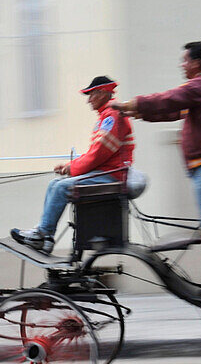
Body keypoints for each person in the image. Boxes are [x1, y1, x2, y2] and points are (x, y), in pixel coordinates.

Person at [110, 41, 201, 298]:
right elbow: (172, 110)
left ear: (196, 63)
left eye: (184, 60)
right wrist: (137, 113)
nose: (181, 64)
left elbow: (170, 99)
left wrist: (131, 105)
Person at [11, 75, 134, 254]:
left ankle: (43, 234)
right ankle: (45, 236)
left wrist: (73, 168)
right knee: (55, 184)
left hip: (112, 176)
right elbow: (97, 153)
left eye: (91, 95)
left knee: (61, 188)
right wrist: (72, 165)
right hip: (107, 173)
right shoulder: (107, 116)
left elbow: (99, 154)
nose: (89, 100)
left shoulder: (112, 116)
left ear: (102, 93)